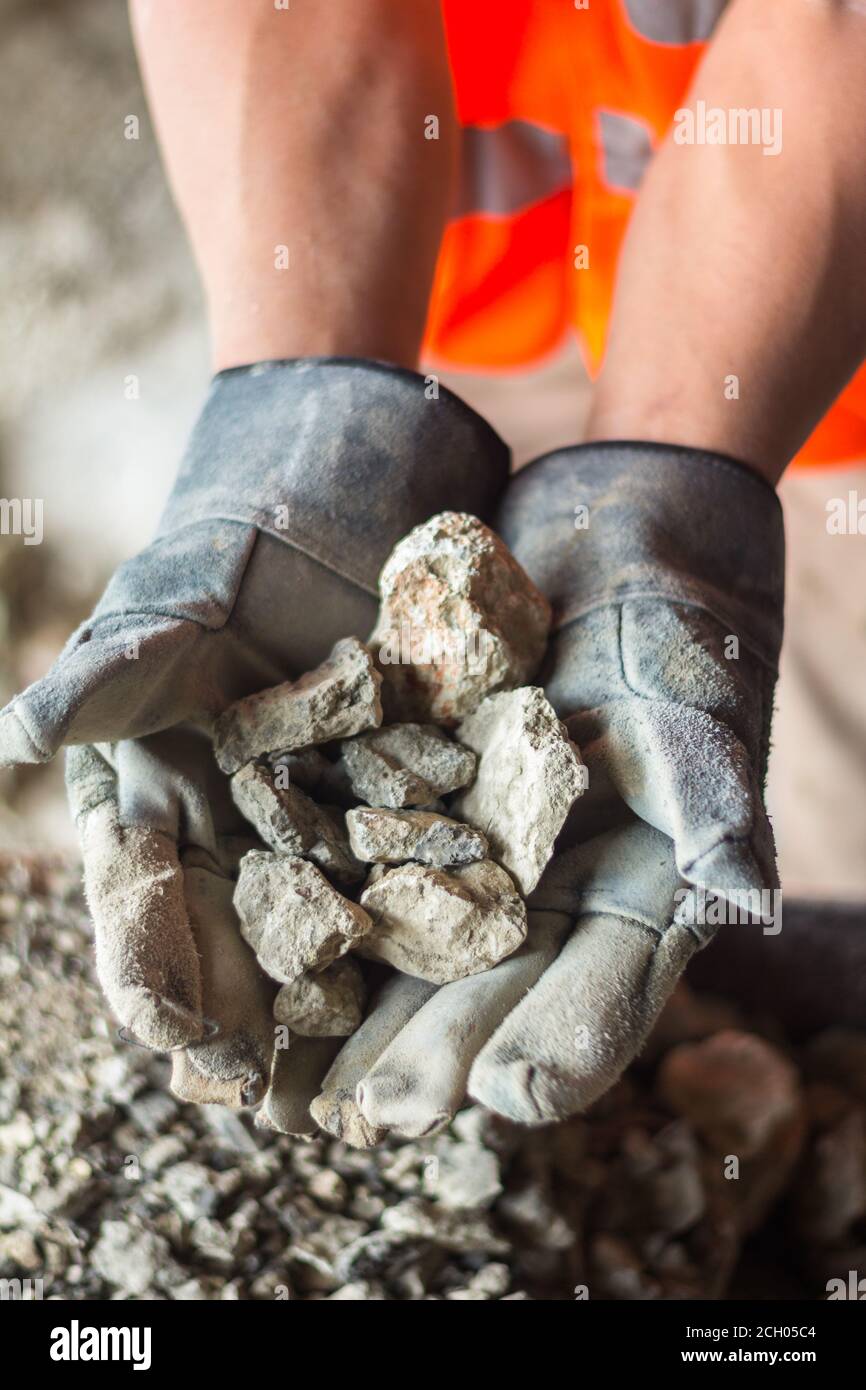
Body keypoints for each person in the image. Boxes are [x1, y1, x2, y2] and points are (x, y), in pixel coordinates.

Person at [2, 0, 865, 1139]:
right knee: (691, 809)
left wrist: (677, 481)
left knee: (781, 821)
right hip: (428, 271)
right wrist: (307, 420)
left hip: (816, 318)